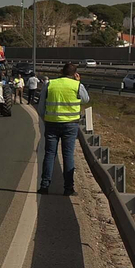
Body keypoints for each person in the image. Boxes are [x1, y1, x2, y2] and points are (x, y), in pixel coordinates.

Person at [39, 62, 91, 195]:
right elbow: (86, 100)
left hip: (51, 123)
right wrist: (79, 82)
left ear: (61, 72)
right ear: (75, 74)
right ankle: (68, 188)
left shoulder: (50, 84)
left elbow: (41, 106)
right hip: (70, 125)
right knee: (68, 155)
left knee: (50, 154)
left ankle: (44, 186)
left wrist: (46, 118)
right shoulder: (77, 85)